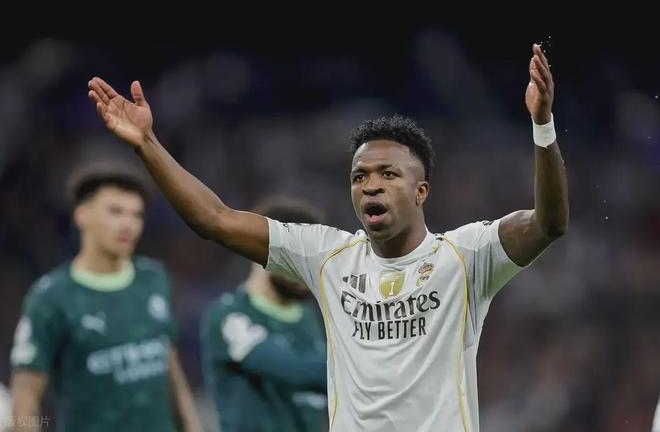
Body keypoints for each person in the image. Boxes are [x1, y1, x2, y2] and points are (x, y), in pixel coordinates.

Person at [87, 43, 569, 431]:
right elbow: (214, 219)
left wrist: (543, 126)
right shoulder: (327, 257)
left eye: (388, 174)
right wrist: (147, 145)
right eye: (359, 177)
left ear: (421, 191)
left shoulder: (466, 255)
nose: (371, 185)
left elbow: (549, 223)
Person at [9, 163, 202, 432]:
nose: (128, 224)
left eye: (137, 215)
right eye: (115, 211)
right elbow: (26, 394)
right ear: (81, 215)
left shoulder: (153, 278)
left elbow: (169, 366)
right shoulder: (51, 298)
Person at [201, 197, 328, 432]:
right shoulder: (230, 316)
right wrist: (362, 366)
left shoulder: (309, 317)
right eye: (296, 255)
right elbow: (294, 370)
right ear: (260, 249)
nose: (307, 267)